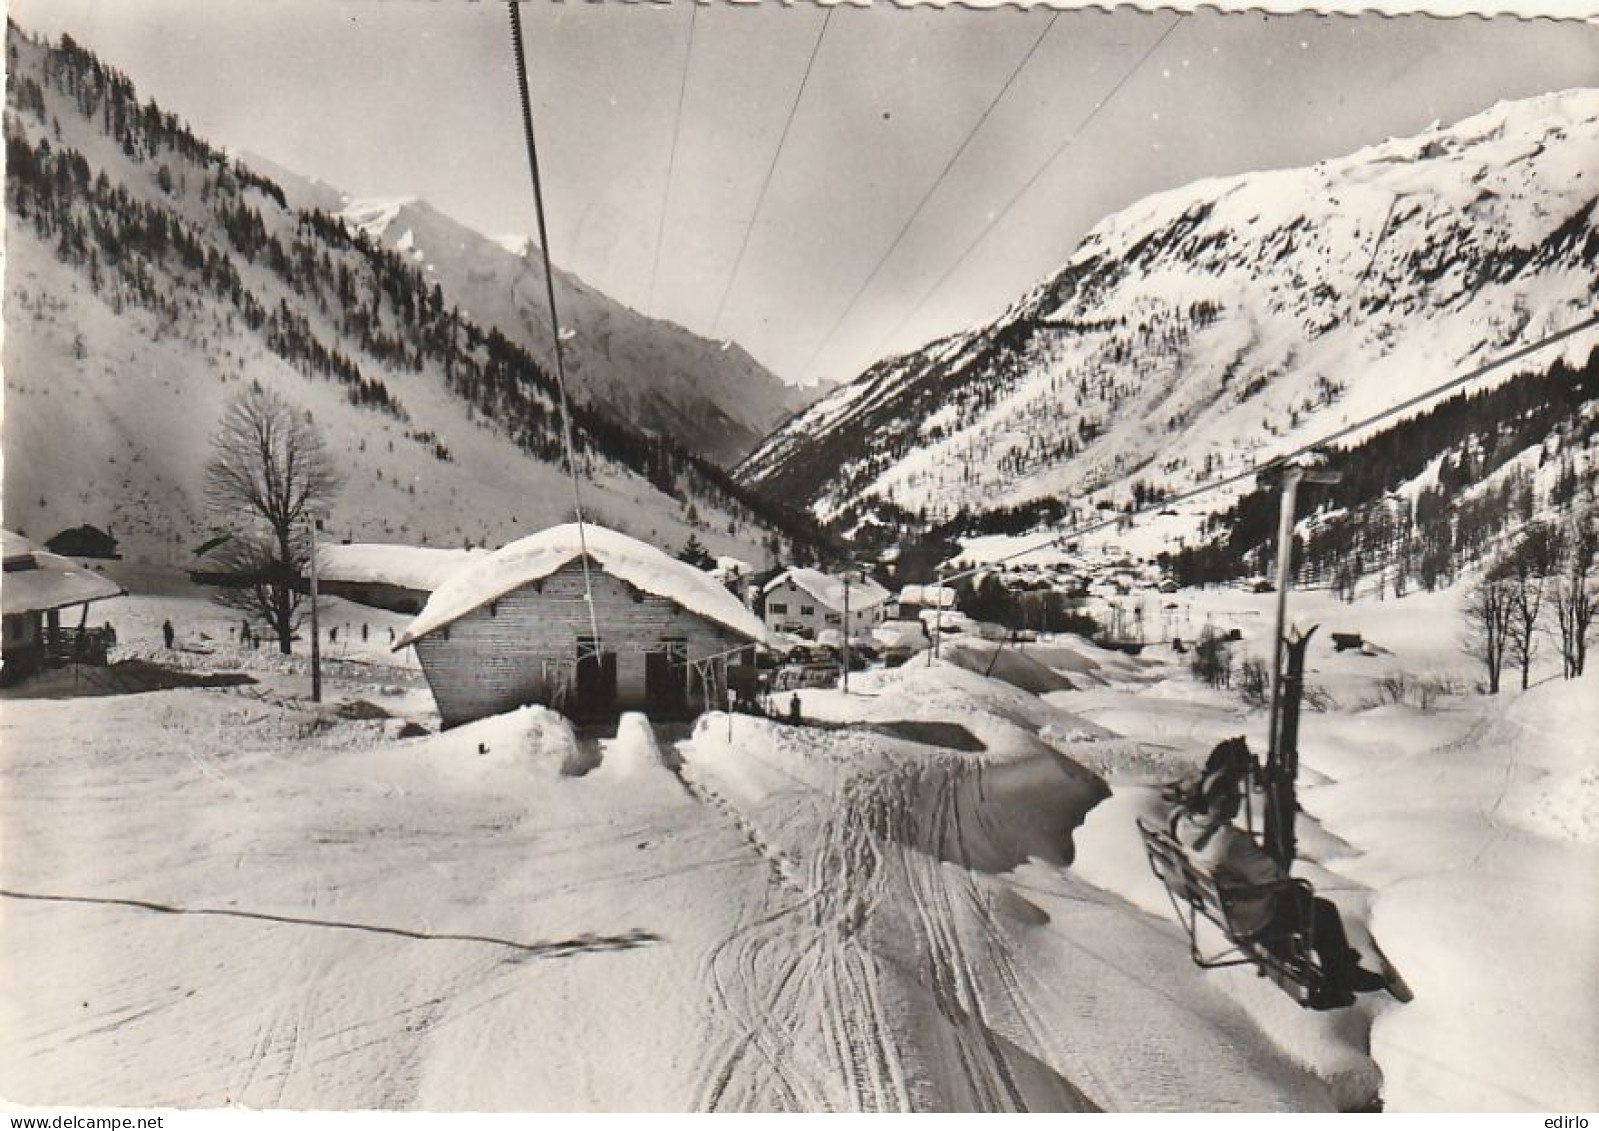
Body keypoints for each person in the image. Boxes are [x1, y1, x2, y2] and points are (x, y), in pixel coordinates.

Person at [1172, 765, 1386, 1005]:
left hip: (1225, 908)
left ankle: (1316, 959)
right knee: (1323, 912)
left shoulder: (1187, 826)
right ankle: (1342, 973)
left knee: (1300, 898)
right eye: (1235, 796)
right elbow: (1274, 877)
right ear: (1221, 801)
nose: (1239, 801)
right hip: (1253, 916)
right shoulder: (1231, 841)